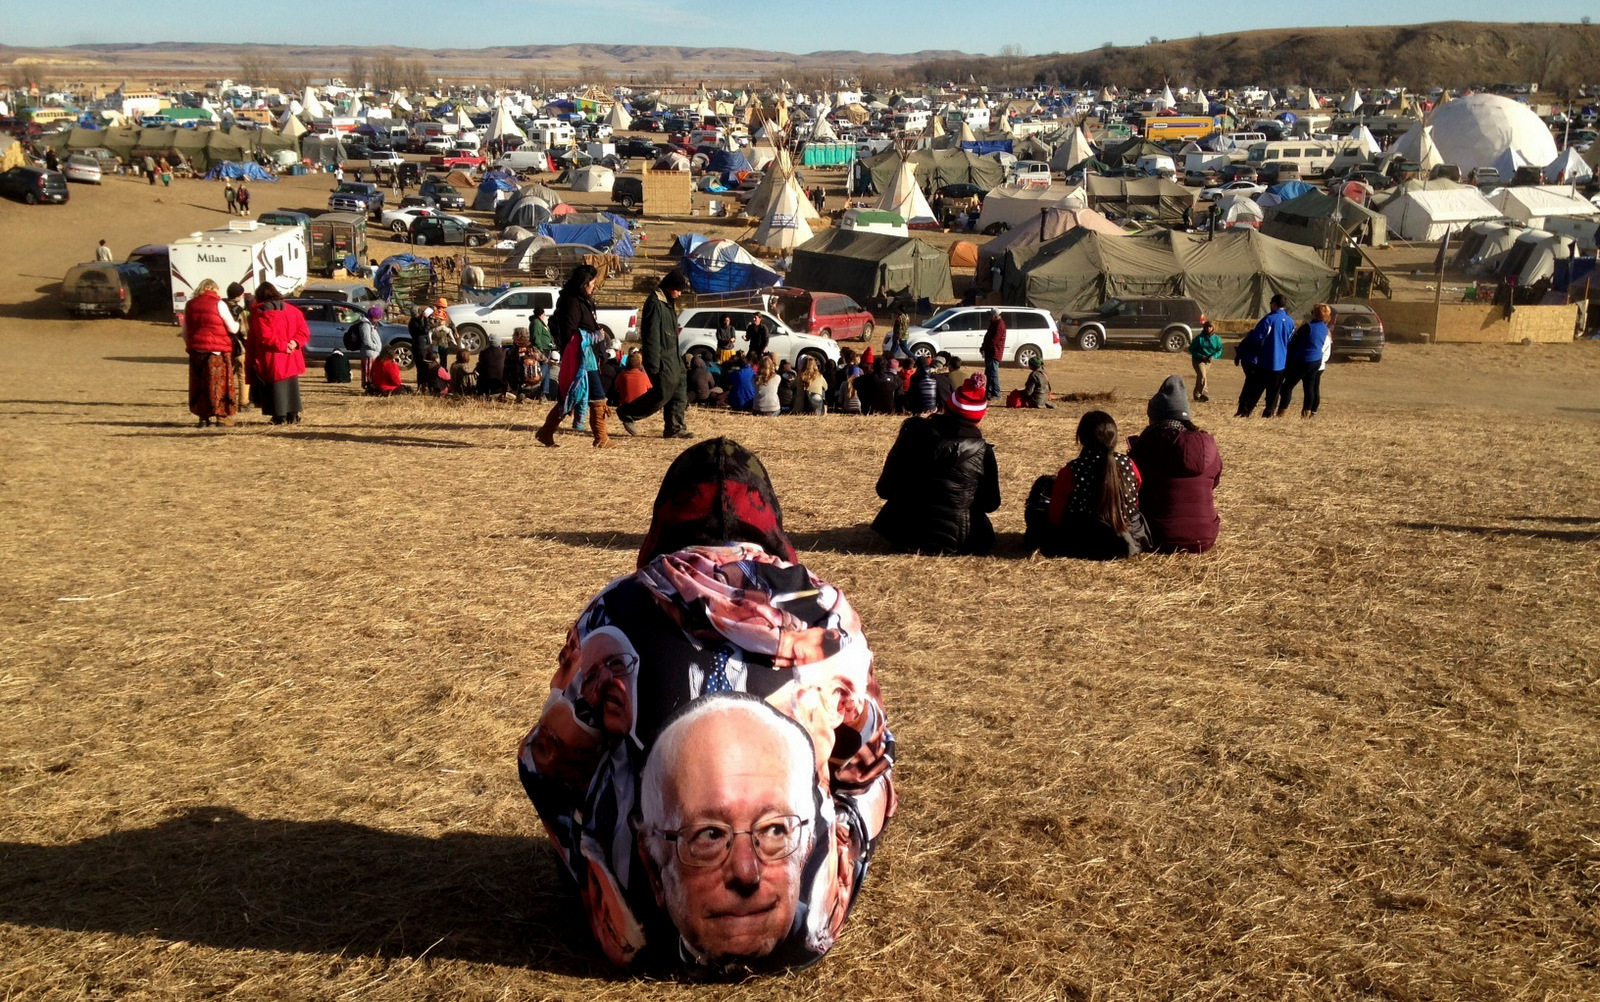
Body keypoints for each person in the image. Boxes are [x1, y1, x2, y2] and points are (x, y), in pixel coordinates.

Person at [516, 437, 894, 973]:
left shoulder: (618, 609)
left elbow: (543, 766)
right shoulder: (826, 612)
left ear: (663, 525)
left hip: (642, 939)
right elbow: (870, 764)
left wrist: (591, 850)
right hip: (803, 933)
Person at [871, 374, 1001, 555]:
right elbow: (991, 503)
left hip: (903, 533)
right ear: (979, 419)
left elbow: (884, 489)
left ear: (945, 408)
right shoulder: (983, 452)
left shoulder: (912, 434)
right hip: (959, 539)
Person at [1026, 410, 1150, 560]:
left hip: (1083, 540)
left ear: (1081, 439)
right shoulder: (1128, 464)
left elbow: (1055, 516)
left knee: (1037, 506)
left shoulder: (1072, 470)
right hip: (1128, 539)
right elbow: (1135, 499)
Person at [1128, 375, 1223, 553]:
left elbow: (1134, 488)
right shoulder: (1208, 444)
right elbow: (1214, 483)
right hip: (1205, 536)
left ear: (1155, 417)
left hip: (1156, 534)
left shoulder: (1147, 445)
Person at [536, 264, 615, 448]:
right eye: (592, 283)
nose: (594, 286)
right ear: (584, 283)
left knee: (570, 396)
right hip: (581, 358)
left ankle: (545, 432)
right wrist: (596, 336)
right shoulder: (572, 302)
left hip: (588, 356)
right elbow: (570, 333)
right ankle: (601, 439)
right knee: (596, 396)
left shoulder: (581, 299)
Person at [618, 270, 691, 439]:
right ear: (668, 286)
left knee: (680, 389)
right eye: (677, 290)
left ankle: (675, 428)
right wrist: (653, 363)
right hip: (662, 356)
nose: (679, 294)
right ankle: (628, 412)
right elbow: (651, 336)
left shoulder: (669, 301)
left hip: (674, 355)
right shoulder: (655, 303)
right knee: (662, 392)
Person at [245, 284, 308, 425]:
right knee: (291, 386)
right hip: (291, 354)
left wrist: (283, 345)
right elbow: (303, 331)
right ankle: (293, 414)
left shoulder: (260, 314)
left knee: (275, 387)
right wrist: (295, 342)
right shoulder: (293, 311)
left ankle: (279, 416)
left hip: (272, 355)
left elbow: (264, 336)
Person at [182, 278, 240, 428]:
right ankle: (221, 417)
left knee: (200, 384)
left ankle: (203, 417)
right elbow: (232, 328)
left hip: (197, 351)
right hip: (217, 351)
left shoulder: (190, 304)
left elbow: (185, 331)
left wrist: (192, 344)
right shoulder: (219, 303)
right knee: (219, 384)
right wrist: (238, 324)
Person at [1237, 294, 1293, 418]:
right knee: (1274, 391)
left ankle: (1246, 411)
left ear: (1274, 304)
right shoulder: (1290, 321)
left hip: (1266, 359)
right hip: (1281, 361)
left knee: (1256, 388)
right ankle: (1269, 412)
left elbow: (1257, 337)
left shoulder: (1269, 319)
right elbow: (1289, 340)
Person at [1278, 303, 1332, 418]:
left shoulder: (1307, 327)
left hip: (1303, 360)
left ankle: (1282, 411)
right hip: (1316, 360)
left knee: (1287, 386)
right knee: (1309, 387)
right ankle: (1306, 412)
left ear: (1315, 314)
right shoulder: (1325, 328)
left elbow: (1293, 343)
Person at [1188, 320, 1223, 402]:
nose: (1208, 329)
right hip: (1198, 360)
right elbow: (1191, 349)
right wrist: (1200, 356)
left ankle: (1196, 395)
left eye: (1210, 327)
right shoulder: (1199, 338)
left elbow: (1219, 349)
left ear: (1213, 328)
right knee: (1202, 375)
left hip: (1208, 361)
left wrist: (1214, 356)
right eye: (1207, 327)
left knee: (1201, 377)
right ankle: (1204, 394)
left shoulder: (1216, 339)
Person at [980, 310, 1006, 400]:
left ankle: (996, 393)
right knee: (989, 373)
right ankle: (989, 392)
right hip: (990, 352)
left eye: (990, 316)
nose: (989, 317)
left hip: (994, 353)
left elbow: (993, 341)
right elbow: (988, 338)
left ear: (995, 316)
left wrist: (984, 348)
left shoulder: (999, 326)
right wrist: (983, 347)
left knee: (993, 374)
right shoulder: (994, 324)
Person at [356, 306, 383, 390]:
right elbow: (366, 341)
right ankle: (369, 387)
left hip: (373, 353)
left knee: (373, 373)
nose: (379, 320)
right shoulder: (365, 325)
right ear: (373, 317)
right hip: (369, 353)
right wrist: (377, 348)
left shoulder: (371, 324)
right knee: (369, 374)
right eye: (377, 318)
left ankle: (372, 386)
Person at [408, 307, 434, 382]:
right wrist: (426, 319)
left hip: (422, 346)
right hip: (420, 348)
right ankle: (422, 385)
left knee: (424, 367)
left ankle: (424, 384)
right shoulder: (413, 323)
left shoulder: (416, 321)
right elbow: (425, 330)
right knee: (421, 367)